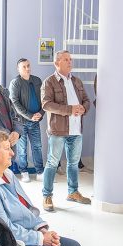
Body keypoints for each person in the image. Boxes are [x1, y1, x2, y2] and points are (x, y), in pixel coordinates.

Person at [40, 50, 92, 210]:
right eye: (66, 60)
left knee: (73, 164)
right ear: (56, 63)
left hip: (76, 130)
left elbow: (86, 100)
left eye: (70, 59)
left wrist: (84, 108)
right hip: (58, 130)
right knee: (52, 163)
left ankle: (73, 192)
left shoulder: (77, 81)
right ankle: (47, 196)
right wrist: (70, 110)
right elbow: (46, 104)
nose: (70, 62)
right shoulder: (49, 82)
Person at [9, 58, 45, 183]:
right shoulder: (15, 83)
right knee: (22, 149)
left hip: (36, 121)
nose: (27, 68)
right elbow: (15, 103)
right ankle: (24, 172)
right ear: (18, 69)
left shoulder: (37, 80)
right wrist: (30, 116)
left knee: (37, 147)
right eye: (24, 66)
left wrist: (41, 113)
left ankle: (40, 172)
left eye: (28, 65)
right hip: (21, 122)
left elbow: (44, 98)